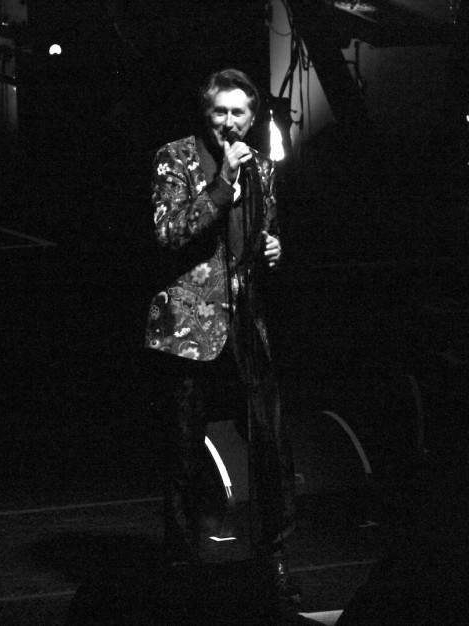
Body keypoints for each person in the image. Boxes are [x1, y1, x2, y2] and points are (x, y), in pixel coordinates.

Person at [144, 68, 299, 604]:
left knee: (270, 444)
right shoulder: (175, 158)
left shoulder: (262, 168)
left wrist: (273, 248)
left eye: (238, 113)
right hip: (190, 326)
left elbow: (260, 233)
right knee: (183, 450)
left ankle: (274, 557)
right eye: (219, 111)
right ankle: (180, 564)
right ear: (205, 113)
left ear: (251, 118)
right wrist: (222, 184)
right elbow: (169, 233)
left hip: (245, 323)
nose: (228, 122)